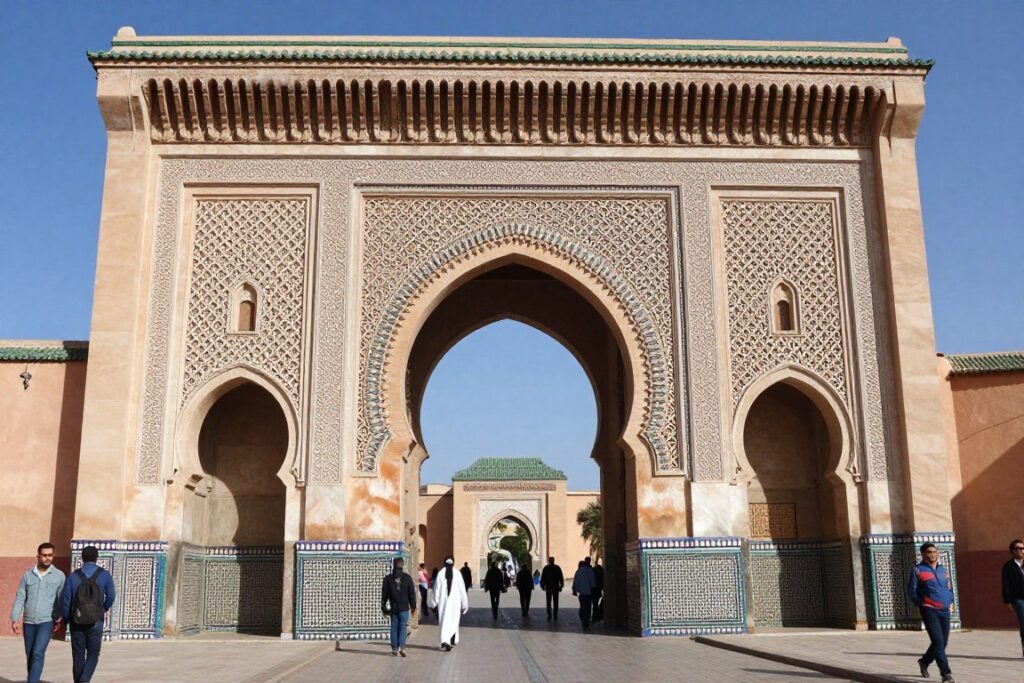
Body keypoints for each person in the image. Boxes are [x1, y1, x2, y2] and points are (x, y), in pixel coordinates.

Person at [10, 542, 65, 683]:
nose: (47, 558)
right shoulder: (27, 575)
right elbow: (20, 597)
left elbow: (60, 599)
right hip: (28, 622)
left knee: (38, 653)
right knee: (30, 655)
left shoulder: (59, 576)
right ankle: (33, 679)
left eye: (50, 555)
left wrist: (58, 618)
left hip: (46, 621)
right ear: (38, 556)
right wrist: (15, 618)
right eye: (44, 555)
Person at [62, 545, 116, 683]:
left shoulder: (73, 576)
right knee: (93, 653)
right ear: (97, 558)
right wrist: (102, 610)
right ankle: (85, 679)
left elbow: (66, 600)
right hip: (96, 621)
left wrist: (67, 619)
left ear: (82, 558)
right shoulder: (104, 575)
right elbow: (111, 596)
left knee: (78, 655)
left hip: (76, 621)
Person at [907, 542, 956, 683]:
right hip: (929, 610)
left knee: (942, 643)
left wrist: (950, 599)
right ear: (923, 554)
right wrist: (921, 603)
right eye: (929, 552)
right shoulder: (917, 570)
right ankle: (946, 674)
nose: (933, 554)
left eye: (935, 551)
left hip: (944, 610)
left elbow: (948, 586)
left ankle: (924, 661)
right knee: (938, 642)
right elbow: (911, 591)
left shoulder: (943, 570)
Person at [380, 557, 417, 657]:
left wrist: (383, 607)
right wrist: (413, 607)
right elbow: (412, 594)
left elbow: (384, 594)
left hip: (394, 608)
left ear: (393, 564)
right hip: (404, 608)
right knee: (402, 627)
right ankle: (402, 647)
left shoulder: (388, 579)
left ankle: (394, 648)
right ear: (402, 565)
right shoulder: (407, 578)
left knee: (394, 627)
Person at [432, 556, 468, 651]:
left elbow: (436, 590)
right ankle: (448, 641)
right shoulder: (457, 573)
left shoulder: (440, 573)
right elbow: (462, 590)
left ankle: (445, 640)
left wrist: (434, 603)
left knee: (444, 621)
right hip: (455, 603)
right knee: (453, 621)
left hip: (443, 603)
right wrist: (465, 604)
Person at [1002, 539, 1024, 657]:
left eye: (1022, 548)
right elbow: (1005, 584)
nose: (1020, 550)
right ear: (1012, 551)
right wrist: (1007, 601)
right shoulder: (1008, 566)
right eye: (1018, 548)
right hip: (1018, 599)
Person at [572, 559, 598, 629]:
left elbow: (575, 582)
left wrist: (574, 590)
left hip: (582, 593)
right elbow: (593, 582)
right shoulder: (590, 571)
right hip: (589, 593)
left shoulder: (578, 571)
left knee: (582, 607)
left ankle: (583, 619)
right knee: (588, 607)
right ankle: (586, 620)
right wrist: (593, 588)